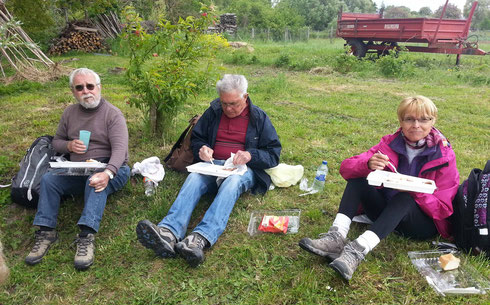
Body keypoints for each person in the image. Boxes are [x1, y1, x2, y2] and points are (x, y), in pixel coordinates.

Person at [299, 96, 459, 281]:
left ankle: (357, 250)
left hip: (420, 224)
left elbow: (443, 209)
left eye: (424, 119)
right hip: (385, 214)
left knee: (405, 198)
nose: (416, 125)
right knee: (359, 179)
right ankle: (336, 237)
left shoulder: (445, 156)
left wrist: (415, 190)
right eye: (409, 119)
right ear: (400, 121)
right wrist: (367, 163)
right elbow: (346, 168)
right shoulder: (390, 144)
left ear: (433, 121)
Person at [136, 74, 281, 267]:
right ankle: (168, 232)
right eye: (224, 103)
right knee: (195, 177)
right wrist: (202, 149)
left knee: (233, 183)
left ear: (245, 97)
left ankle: (199, 238)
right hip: (212, 165)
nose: (228, 109)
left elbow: (273, 154)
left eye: (234, 104)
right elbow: (197, 139)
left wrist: (250, 155)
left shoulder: (259, 117)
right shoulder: (213, 112)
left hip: (241, 170)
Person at [25, 68, 130, 270]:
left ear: (99, 88)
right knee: (49, 180)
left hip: (112, 167)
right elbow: (56, 142)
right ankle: (46, 231)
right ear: (73, 91)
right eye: (79, 87)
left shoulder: (113, 114)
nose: (86, 91)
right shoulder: (69, 113)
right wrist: (69, 146)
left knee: (95, 182)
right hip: (76, 169)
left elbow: (120, 151)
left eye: (90, 86)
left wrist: (107, 173)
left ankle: (86, 236)